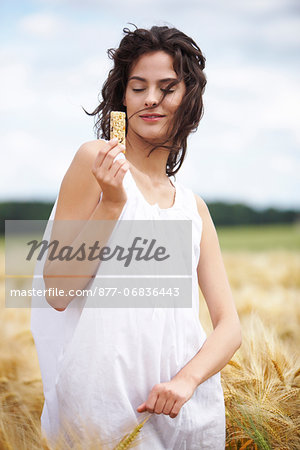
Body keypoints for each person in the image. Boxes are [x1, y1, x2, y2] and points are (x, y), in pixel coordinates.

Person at [31, 24, 242, 449]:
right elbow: (57, 291)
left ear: (189, 99)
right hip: (101, 409)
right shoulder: (94, 162)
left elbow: (230, 326)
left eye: (167, 88)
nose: (150, 99)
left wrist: (186, 382)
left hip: (186, 410)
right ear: (122, 98)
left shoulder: (192, 207)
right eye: (138, 86)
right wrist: (111, 203)